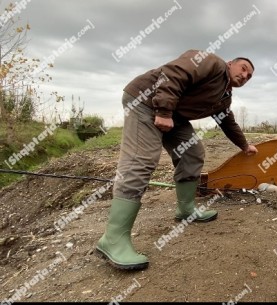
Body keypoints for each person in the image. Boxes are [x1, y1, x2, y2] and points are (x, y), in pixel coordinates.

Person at [95, 49, 258, 270]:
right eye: (243, 69)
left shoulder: (224, 96)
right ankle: (112, 240)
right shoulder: (212, 63)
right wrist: (163, 111)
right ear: (230, 64)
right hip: (146, 100)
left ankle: (186, 209)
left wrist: (245, 145)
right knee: (142, 160)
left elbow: (227, 122)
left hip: (173, 113)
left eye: (249, 77)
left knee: (192, 152)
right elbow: (173, 73)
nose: (245, 76)